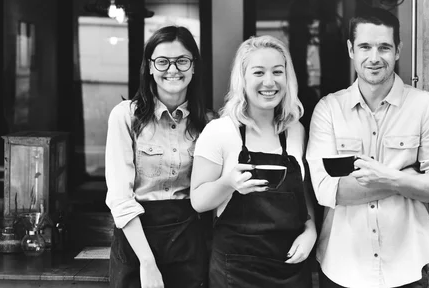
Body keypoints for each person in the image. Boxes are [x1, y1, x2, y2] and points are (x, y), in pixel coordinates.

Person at [306, 8, 429, 288]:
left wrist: (388, 177)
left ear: (398, 50)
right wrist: (407, 179)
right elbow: (328, 191)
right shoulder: (328, 110)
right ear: (351, 49)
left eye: (384, 47)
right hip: (343, 266)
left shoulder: (426, 107)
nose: (374, 58)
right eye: (365, 46)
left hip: (409, 266)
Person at [190, 35, 316, 287]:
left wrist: (310, 229)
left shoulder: (295, 130)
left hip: (289, 267)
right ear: (243, 79)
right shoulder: (220, 131)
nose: (269, 82)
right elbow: (198, 201)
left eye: (277, 72)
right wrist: (228, 182)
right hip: (236, 271)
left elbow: (302, 192)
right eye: (258, 72)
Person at [105, 25, 210, 288]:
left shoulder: (209, 123)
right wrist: (147, 263)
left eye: (182, 61)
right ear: (150, 67)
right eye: (162, 61)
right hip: (135, 244)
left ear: (193, 66)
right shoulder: (125, 116)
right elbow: (120, 197)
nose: (172, 69)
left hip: (189, 244)